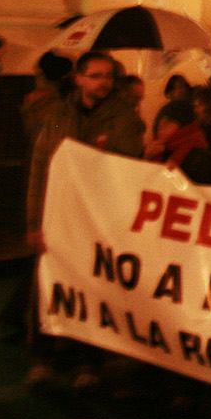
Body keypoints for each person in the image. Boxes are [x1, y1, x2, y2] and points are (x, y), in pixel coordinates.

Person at [23, 50, 146, 389]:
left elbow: (126, 168)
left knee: (91, 289)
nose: (103, 82)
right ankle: (41, 357)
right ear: (79, 79)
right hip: (58, 216)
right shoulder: (58, 114)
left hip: (98, 220)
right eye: (95, 75)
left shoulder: (124, 118)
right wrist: (34, 223)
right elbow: (40, 167)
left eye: (108, 75)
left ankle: (87, 362)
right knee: (49, 285)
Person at [144, 98, 211, 185]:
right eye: (159, 122)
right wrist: (146, 158)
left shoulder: (201, 159)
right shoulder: (158, 152)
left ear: (184, 127)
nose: (161, 127)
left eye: (168, 122)